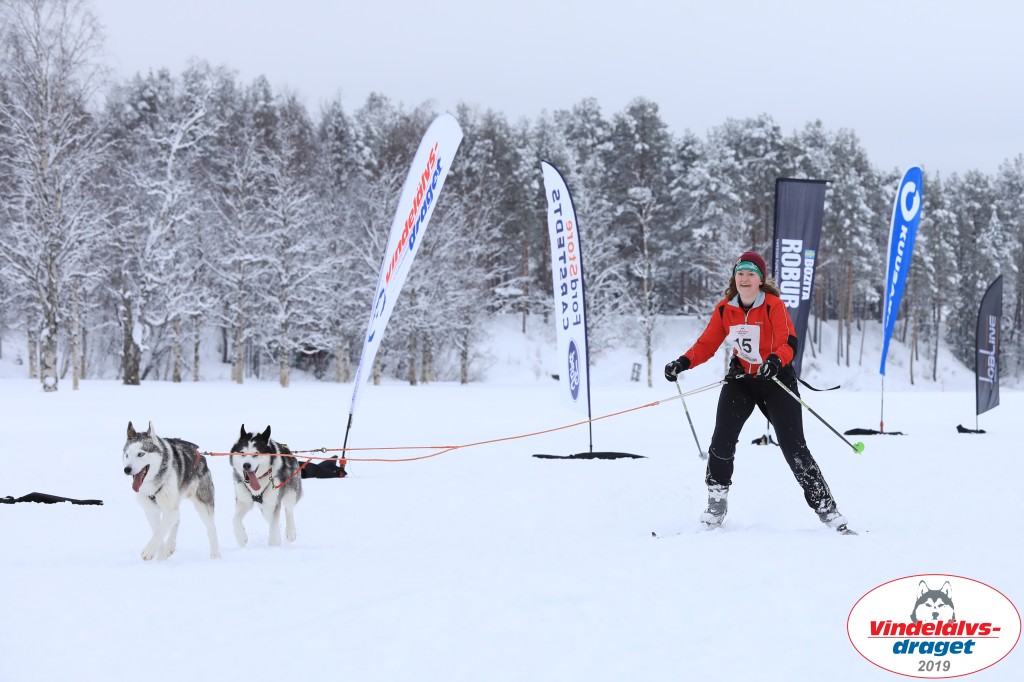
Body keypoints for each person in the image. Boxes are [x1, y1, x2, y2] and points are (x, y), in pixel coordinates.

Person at [663, 251, 853, 535]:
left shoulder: (773, 305)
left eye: (751, 274)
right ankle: (717, 501)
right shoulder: (726, 309)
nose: (745, 279)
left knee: (793, 447)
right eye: (740, 273)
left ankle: (826, 507)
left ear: (761, 279)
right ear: (734, 278)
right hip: (741, 379)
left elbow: (789, 340)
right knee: (722, 440)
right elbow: (707, 343)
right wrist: (682, 362)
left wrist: (776, 360)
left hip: (776, 380)